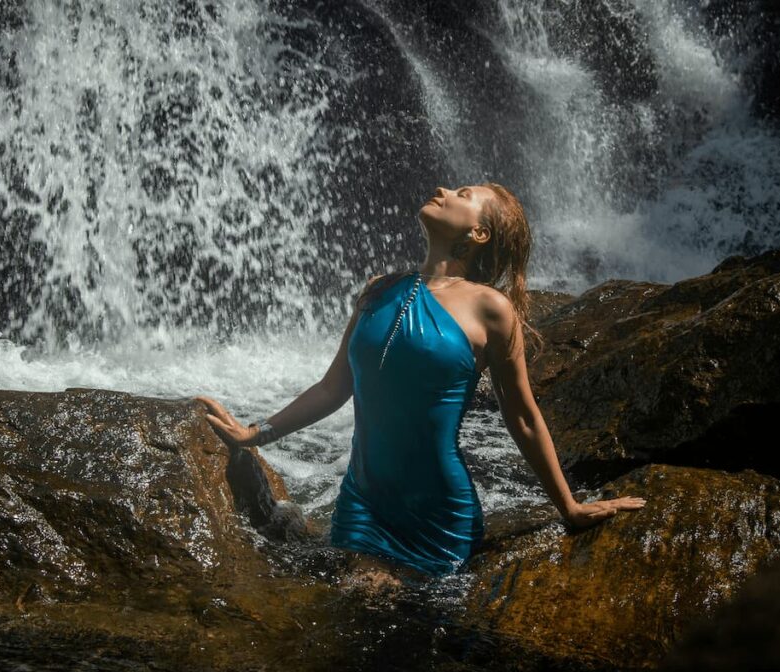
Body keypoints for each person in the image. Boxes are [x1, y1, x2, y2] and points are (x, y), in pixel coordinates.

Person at [195, 183, 646, 590]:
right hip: (362, 505)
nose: (442, 189)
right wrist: (254, 434)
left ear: (479, 234)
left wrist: (568, 507)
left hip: (438, 516)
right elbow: (333, 388)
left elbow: (522, 416)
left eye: (463, 194)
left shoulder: (491, 308)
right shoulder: (378, 290)